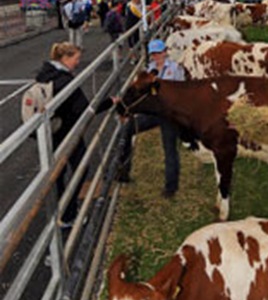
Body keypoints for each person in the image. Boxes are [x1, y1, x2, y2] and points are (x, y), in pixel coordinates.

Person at [35, 42, 115, 225]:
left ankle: (61, 211)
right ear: (65, 58)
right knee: (80, 168)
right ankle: (68, 214)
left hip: (50, 131)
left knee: (58, 174)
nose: (78, 63)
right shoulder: (64, 81)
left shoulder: (44, 74)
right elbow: (84, 109)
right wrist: (109, 101)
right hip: (67, 132)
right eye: (76, 59)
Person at [117, 38, 185, 197]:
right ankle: (123, 170)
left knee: (169, 148)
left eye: (159, 53)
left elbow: (181, 92)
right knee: (128, 129)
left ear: (165, 52)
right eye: (153, 54)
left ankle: (171, 187)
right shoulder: (149, 70)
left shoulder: (175, 69)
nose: (156, 57)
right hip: (153, 113)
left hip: (169, 114)